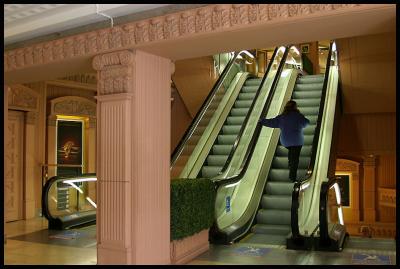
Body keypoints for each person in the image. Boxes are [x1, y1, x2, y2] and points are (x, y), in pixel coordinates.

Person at [259, 100, 310, 182]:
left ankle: (290, 165)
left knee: (292, 154)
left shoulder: (282, 117)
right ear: (295, 107)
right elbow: (307, 123)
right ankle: (292, 177)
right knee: (295, 159)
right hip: (297, 141)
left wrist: (261, 121)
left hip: (286, 141)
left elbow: (271, 122)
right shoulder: (298, 116)